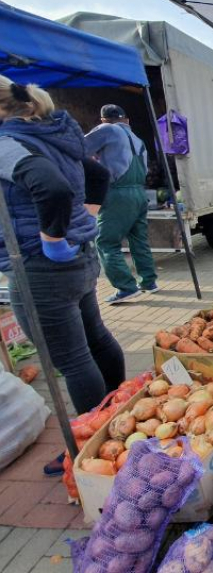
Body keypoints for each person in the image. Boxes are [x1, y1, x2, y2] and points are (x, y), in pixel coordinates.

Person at [0, 77, 125, 472]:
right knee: (96, 339)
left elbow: (50, 187)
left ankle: (90, 442)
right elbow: (98, 176)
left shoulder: (7, 143)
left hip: (41, 264)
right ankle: (120, 412)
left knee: (71, 360)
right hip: (79, 258)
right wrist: (82, 223)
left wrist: (53, 239)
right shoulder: (50, 132)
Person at [84, 104, 158, 304]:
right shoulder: (138, 139)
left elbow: (79, 149)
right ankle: (149, 282)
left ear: (103, 120)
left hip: (117, 193)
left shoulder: (106, 130)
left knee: (106, 242)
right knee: (139, 240)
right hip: (139, 193)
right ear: (126, 120)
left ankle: (126, 287)